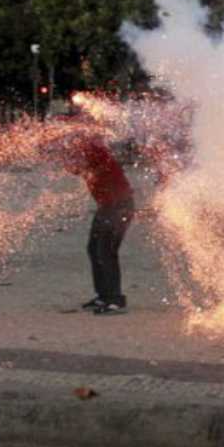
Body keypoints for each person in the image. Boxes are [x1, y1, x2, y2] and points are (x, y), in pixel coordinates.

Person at [62, 134, 136, 315]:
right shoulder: (88, 151)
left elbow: (80, 165)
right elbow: (76, 168)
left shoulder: (95, 151)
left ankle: (115, 300)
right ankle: (103, 295)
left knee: (106, 251)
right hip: (107, 207)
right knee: (94, 248)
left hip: (119, 207)